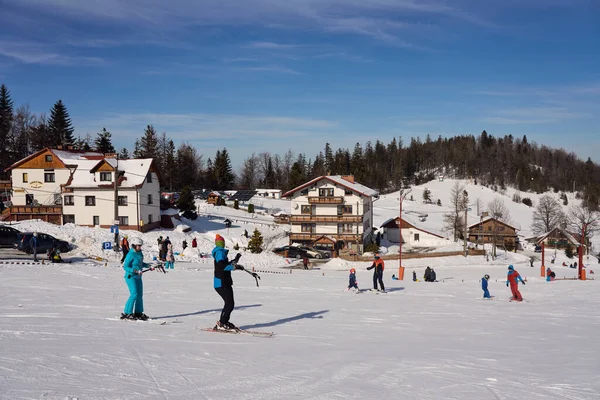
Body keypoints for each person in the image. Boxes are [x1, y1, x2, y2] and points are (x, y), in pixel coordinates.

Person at [212, 234, 245, 330]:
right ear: (220, 243)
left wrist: (235, 261)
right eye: (222, 242)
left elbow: (225, 264)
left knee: (229, 303)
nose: (223, 244)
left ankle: (224, 322)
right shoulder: (219, 252)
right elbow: (222, 266)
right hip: (221, 282)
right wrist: (235, 267)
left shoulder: (220, 252)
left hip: (224, 282)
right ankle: (222, 323)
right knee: (229, 303)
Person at [121, 237, 152, 320]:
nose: (139, 247)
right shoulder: (130, 254)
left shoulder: (139, 253)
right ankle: (127, 313)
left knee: (139, 295)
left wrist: (149, 266)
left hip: (138, 277)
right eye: (138, 246)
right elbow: (125, 266)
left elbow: (140, 264)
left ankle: (138, 313)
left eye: (140, 246)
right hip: (130, 277)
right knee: (134, 294)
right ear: (134, 245)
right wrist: (134, 270)